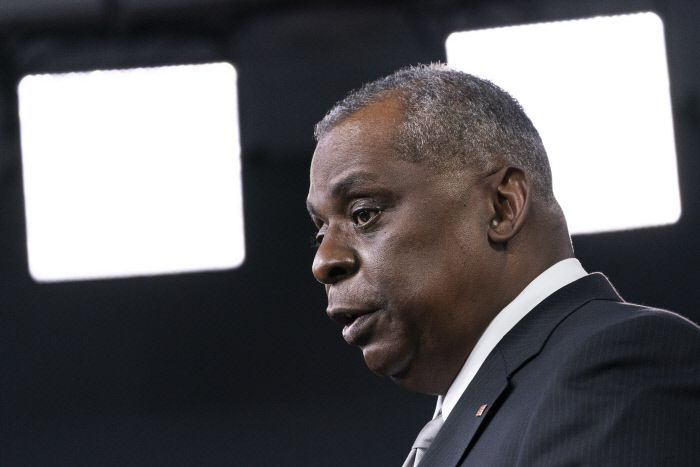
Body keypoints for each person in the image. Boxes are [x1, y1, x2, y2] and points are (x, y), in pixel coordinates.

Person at [305, 64, 700, 466]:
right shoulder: (482, 409)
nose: (324, 262)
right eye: (320, 232)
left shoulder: (620, 362)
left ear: (501, 207)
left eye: (364, 214)